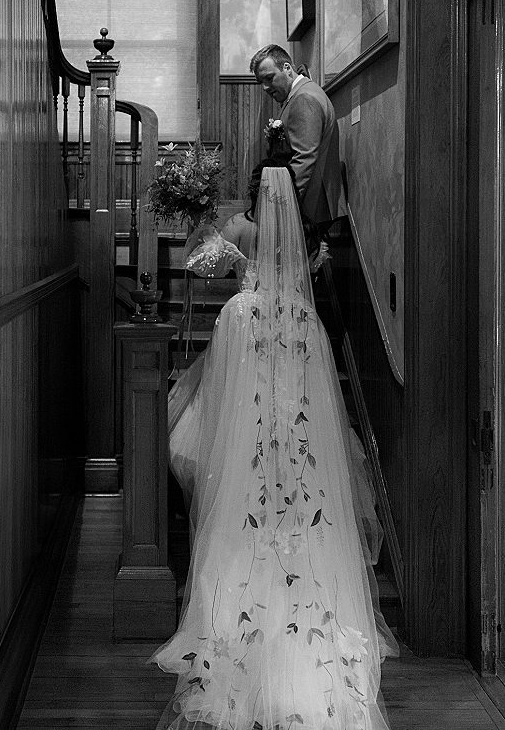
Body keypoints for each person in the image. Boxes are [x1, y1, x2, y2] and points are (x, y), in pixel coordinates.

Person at [150, 164, 397, 730]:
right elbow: (319, 407)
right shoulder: (309, 320)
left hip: (251, 450)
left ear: (259, 217)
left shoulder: (236, 314)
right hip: (297, 456)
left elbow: (223, 401)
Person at [250, 45, 347, 232]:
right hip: (312, 204)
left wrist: (282, 204)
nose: (265, 87)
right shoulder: (299, 94)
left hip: (311, 204)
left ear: (287, 68)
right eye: (261, 81)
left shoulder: (304, 98)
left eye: (269, 78)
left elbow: (304, 158)